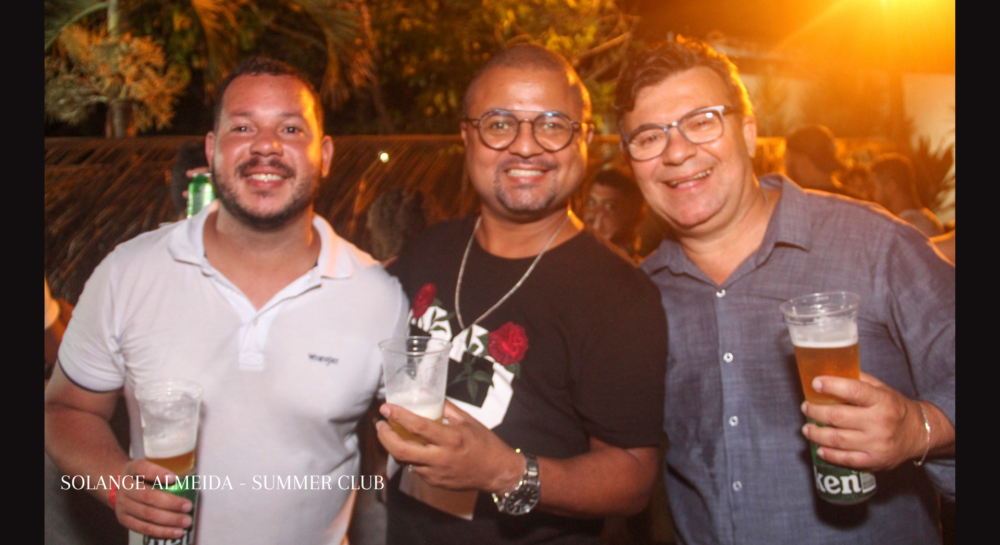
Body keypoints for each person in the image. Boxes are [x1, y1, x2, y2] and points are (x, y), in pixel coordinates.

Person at [44, 56, 409, 545]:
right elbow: (65, 410)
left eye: (291, 129)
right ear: (212, 150)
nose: (266, 146)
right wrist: (116, 483)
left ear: (324, 155)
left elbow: (417, 441)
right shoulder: (128, 272)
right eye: (242, 127)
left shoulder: (378, 296)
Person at [615, 37, 955, 544]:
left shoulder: (874, 245)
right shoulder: (638, 298)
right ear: (631, 162)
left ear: (749, 133)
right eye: (648, 137)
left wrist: (918, 429)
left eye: (702, 121)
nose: (677, 151)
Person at [377, 44, 667, 544]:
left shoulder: (620, 295)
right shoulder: (431, 249)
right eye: (499, 124)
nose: (526, 146)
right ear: (467, 136)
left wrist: (503, 472)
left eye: (552, 125)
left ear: (585, 139)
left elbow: (633, 479)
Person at [869, 153, 946, 237]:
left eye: (874, 186)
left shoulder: (908, 229)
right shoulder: (922, 220)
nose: (870, 193)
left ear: (891, 187)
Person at [582, 169, 647, 261]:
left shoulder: (637, 268)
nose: (594, 214)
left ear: (633, 217)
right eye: (592, 202)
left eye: (609, 207)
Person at [783, 124, 856, 197]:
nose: (785, 166)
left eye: (788, 160)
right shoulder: (855, 201)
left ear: (803, 162)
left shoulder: (792, 201)